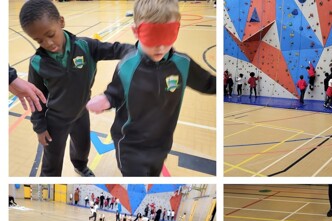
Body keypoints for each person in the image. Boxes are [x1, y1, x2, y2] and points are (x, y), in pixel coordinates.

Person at [86, 0, 216, 177]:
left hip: (161, 144)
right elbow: (115, 93)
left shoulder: (182, 64)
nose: (160, 47)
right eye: (153, 38)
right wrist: (106, 100)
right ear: (136, 31)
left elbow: (207, 83)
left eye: (167, 37)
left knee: (152, 177)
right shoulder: (127, 66)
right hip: (130, 145)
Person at [19, 0, 134, 177]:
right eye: (39, 40)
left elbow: (116, 49)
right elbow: (36, 100)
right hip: (55, 120)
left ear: (61, 22)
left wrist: (141, 51)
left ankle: (80, 166)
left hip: (81, 112)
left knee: (82, 147)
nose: (48, 43)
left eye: (50, 34)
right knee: (52, 161)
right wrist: (40, 128)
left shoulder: (86, 46)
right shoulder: (37, 63)